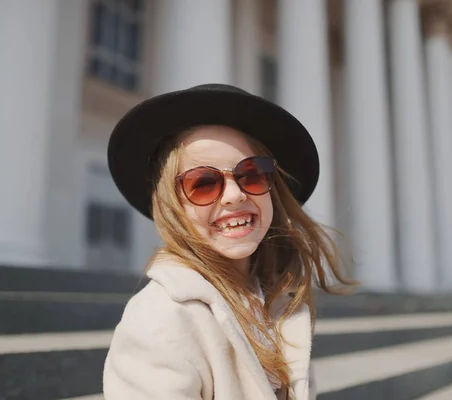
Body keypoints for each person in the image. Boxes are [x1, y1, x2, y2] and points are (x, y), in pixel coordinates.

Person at [103, 84, 354, 400]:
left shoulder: (277, 300)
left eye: (252, 173)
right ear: (171, 205)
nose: (235, 195)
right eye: (204, 183)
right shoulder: (160, 318)